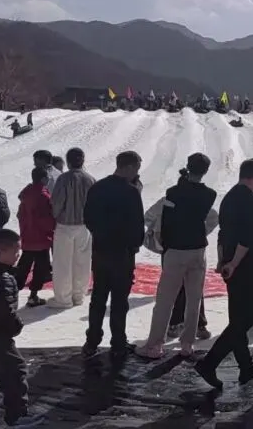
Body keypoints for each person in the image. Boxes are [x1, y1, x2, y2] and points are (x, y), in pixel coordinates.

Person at [196, 158, 253, 390]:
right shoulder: (249, 198)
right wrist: (235, 263)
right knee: (245, 318)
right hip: (243, 266)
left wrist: (223, 260)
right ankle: (209, 363)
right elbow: (247, 236)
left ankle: (245, 366)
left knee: (237, 317)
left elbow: (223, 234)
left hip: (231, 263)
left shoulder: (228, 198)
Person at [137, 153, 217, 360]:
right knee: (194, 299)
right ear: (206, 171)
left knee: (165, 301)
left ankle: (155, 345)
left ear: (188, 167)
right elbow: (211, 217)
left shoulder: (173, 192)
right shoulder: (210, 194)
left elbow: (163, 218)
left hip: (175, 251)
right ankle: (187, 344)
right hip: (198, 250)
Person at [82, 150, 145, 357]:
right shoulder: (131, 192)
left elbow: (88, 218)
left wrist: (101, 235)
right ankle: (118, 341)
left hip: (101, 251)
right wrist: (134, 244)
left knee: (98, 297)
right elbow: (138, 224)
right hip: (122, 253)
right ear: (129, 167)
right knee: (119, 300)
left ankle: (92, 340)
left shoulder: (98, 188)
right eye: (136, 168)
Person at [0, 229, 43, 427]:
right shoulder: (4, 279)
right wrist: (16, 326)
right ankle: (18, 416)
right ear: (0, 252)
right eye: (15, 250)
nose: (18, 255)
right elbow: (5, 312)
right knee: (15, 370)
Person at [50, 147, 96, 308]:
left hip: (65, 225)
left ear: (68, 162)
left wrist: (55, 215)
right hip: (84, 226)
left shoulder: (63, 179)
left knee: (63, 263)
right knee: (82, 262)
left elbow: (56, 203)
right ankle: (78, 296)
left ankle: (63, 299)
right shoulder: (90, 179)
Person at [15, 167, 56, 307]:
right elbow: (47, 219)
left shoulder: (26, 194)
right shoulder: (43, 196)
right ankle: (33, 296)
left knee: (23, 266)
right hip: (41, 237)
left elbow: (20, 215)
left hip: (28, 236)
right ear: (43, 179)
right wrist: (52, 229)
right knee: (40, 267)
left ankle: (12, 292)